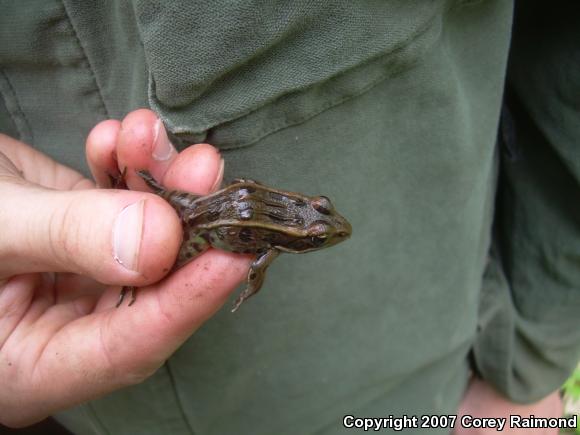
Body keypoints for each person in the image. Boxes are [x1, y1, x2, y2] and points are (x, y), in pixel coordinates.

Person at [0, 1, 576, 434]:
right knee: (165, 243)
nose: (322, 221)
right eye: (318, 226)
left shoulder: (287, 227)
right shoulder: (273, 243)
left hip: (415, 390)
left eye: (317, 224)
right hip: (80, 390)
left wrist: (526, 367)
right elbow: (255, 254)